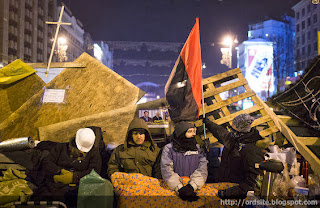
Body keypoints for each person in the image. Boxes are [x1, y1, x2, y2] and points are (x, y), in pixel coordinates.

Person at [203, 114, 268, 199]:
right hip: (224, 184)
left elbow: (253, 181)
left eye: (232, 128)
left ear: (240, 130)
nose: (230, 130)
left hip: (236, 194)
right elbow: (221, 133)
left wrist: (228, 193)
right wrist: (208, 123)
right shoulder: (234, 138)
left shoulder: (251, 149)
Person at [33, 127, 102, 206]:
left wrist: (74, 177)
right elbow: (47, 162)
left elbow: (94, 173)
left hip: (77, 188)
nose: (82, 152)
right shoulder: (61, 148)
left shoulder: (94, 154)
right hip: (56, 185)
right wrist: (59, 171)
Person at [161, 121, 208, 202]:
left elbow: (202, 169)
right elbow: (167, 170)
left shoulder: (198, 149)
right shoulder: (169, 149)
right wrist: (180, 188)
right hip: (174, 187)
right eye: (190, 132)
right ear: (181, 134)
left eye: (194, 131)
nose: (193, 134)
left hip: (195, 187)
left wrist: (192, 186)